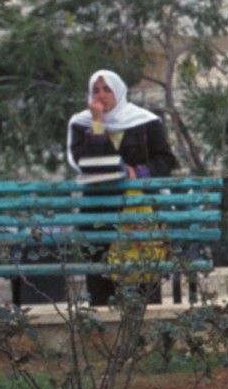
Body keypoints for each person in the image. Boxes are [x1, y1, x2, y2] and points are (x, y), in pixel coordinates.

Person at [66, 69, 179, 306]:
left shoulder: (144, 121)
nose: (101, 96)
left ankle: (146, 333)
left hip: (138, 210)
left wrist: (136, 173)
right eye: (95, 90)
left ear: (119, 91)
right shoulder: (81, 124)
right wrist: (97, 124)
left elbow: (165, 160)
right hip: (98, 210)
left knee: (143, 276)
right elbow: (85, 162)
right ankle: (103, 336)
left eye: (107, 89)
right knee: (99, 275)